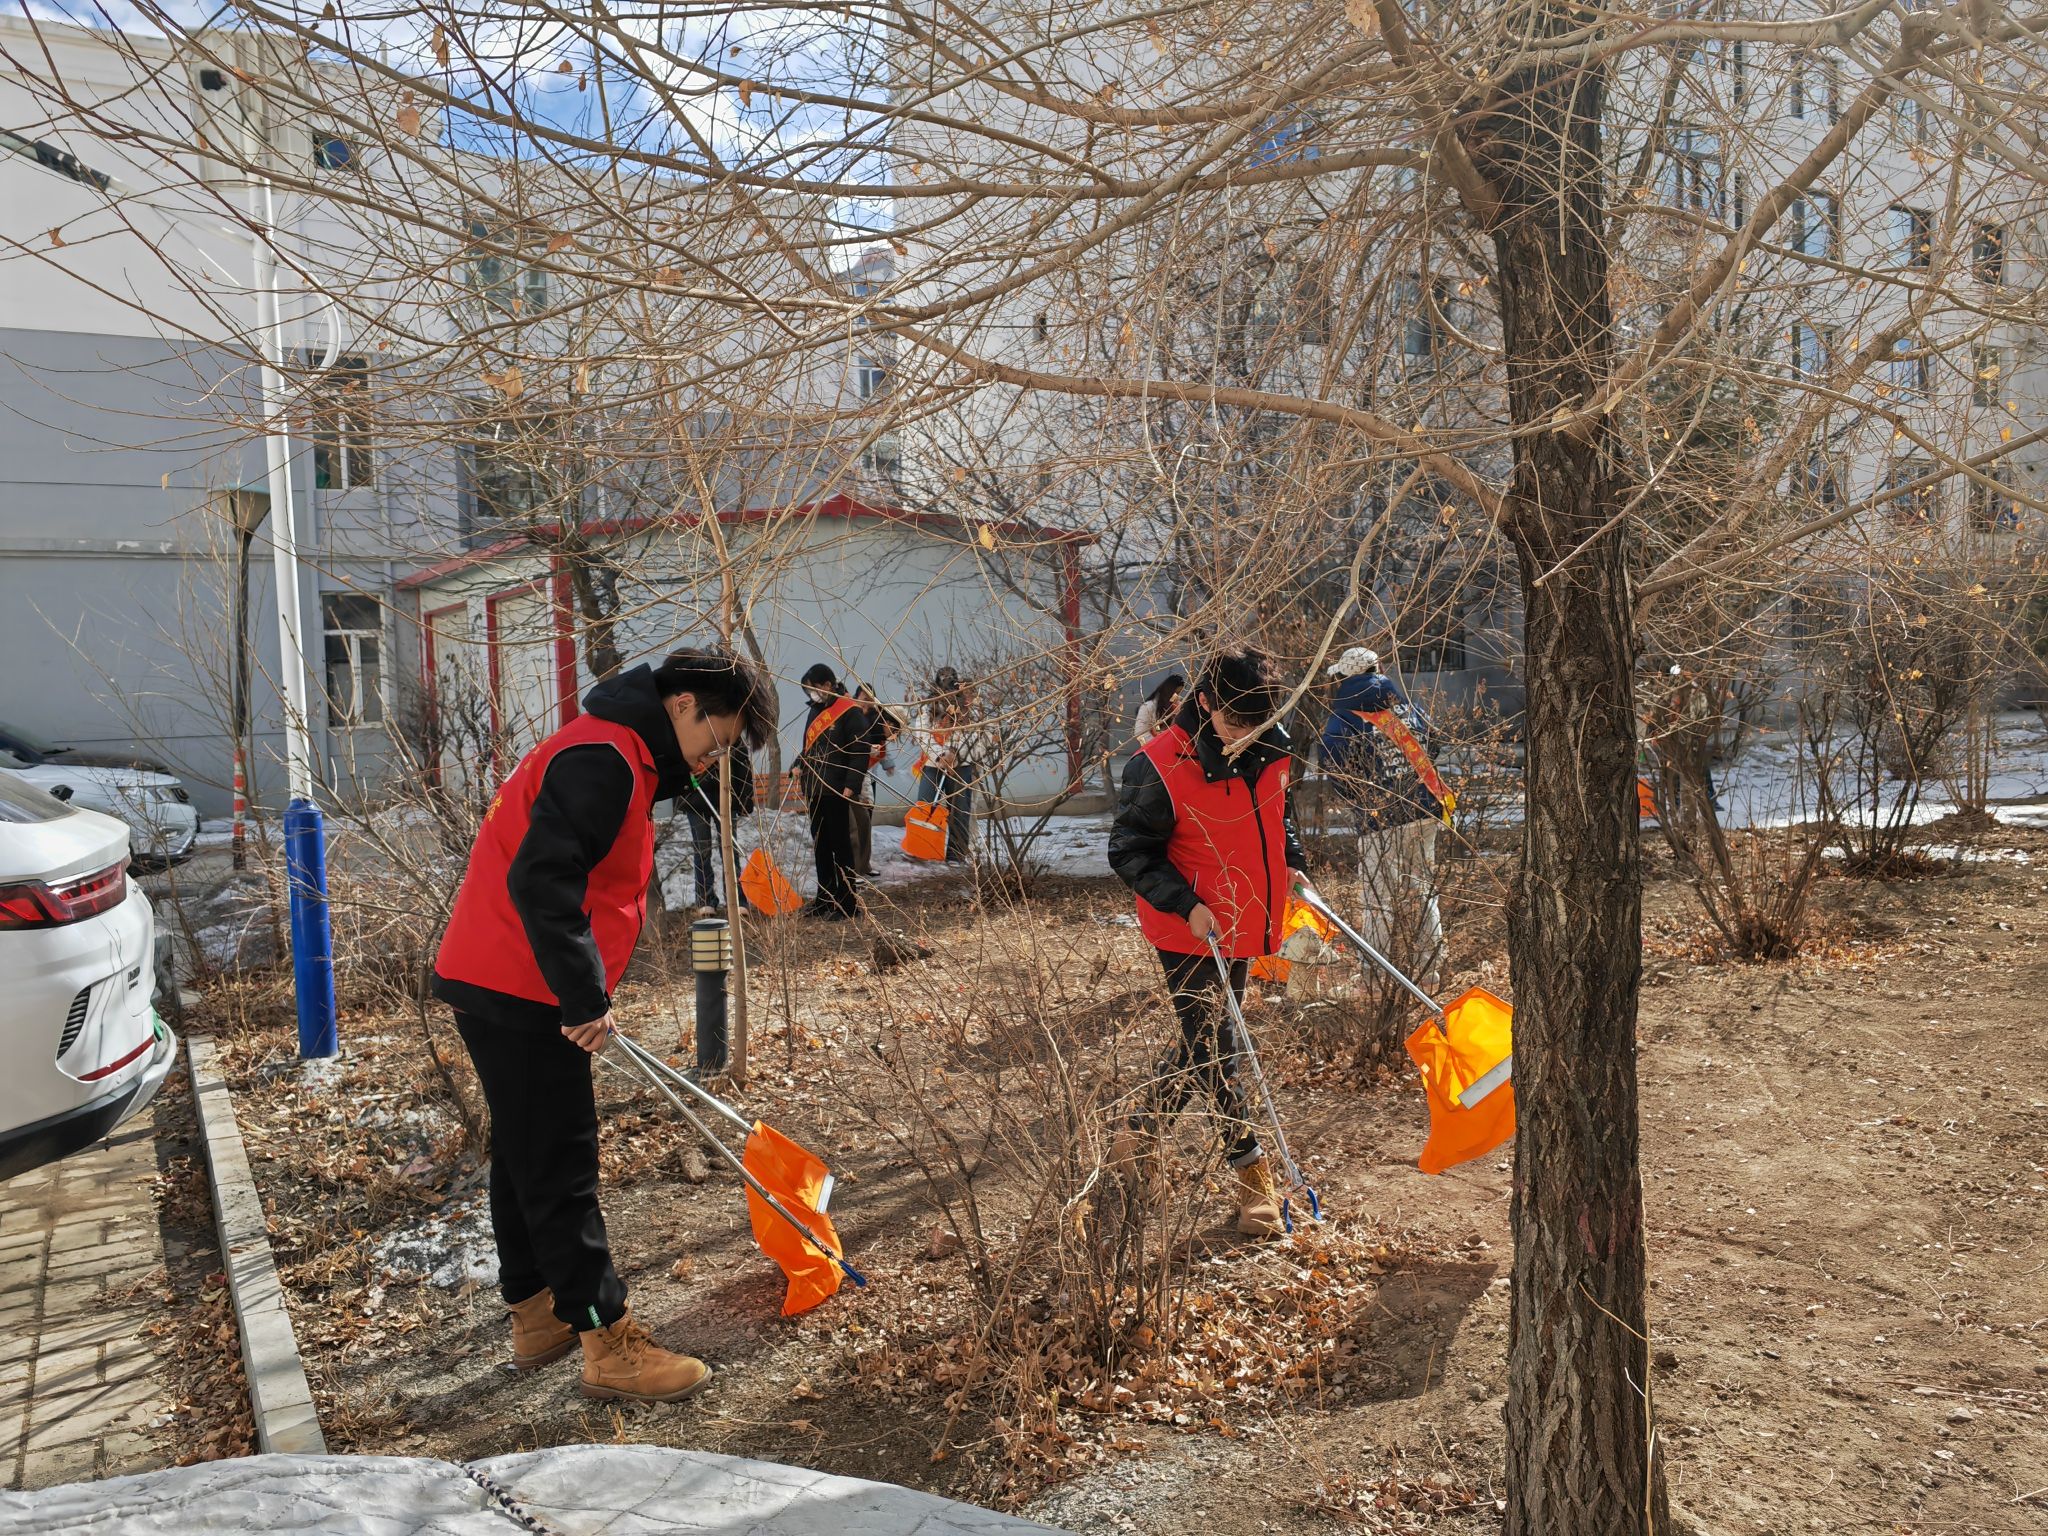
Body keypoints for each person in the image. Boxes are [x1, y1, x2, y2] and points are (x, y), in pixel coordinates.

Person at [433, 648, 773, 1402]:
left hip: (498, 974)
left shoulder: (613, 748)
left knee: (527, 1153)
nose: (715, 757)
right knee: (560, 1162)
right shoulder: (607, 758)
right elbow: (540, 878)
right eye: (716, 739)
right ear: (683, 703)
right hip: (520, 983)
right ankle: (606, 1341)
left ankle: (538, 1316)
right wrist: (582, 998)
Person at [1106, 645, 1321, 1239]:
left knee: (1199, 1040)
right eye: (1234, 724)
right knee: (1220, 1048)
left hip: (1244, 919)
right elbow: (1128, 850)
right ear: (1205, 701)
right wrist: (1188, 904)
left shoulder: (1271, 746)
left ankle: (1139, 1133)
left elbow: (1277, 816)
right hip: (1188, 926)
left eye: (1258, 725)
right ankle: (1253, 1175)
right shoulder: (1157, 764)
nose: (1246, 736)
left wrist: (1293, 863)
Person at [1318, 646, 1445, 987]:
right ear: (1379, 668)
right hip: (1424, 808)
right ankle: (1431, 969)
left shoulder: (1344, 718)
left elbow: (1334, 765)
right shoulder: (1402, 707)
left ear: (1343, 679)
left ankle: (1375, 977)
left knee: (1377, 900)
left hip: (1380, 819)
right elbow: (1433, 743)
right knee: (1424, 889)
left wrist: (1361, 800)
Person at [797, 663, 868, 919]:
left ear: (827, 685)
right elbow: (809, 746)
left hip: (837, 787)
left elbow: (860, 750)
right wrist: (798, 764)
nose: (811, 695)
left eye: (813, 689)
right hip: (815, 788)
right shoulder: (815, 710)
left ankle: (848, 903)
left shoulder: (849, 711)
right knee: (821, 846)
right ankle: (825, 898)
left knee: (841, 847)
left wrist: (852, 784)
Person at [675, 739, 754, 911]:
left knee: (729, 849)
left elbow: (743, 765)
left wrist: (746, 800)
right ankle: (705, 900)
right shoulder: (692, 732)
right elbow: (678, 760)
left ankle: (736, 899)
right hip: (696, 799)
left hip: (726, 797)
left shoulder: (730, 732)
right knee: (702, 851)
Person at [910, 665, 976, 864]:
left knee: (960, 810)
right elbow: (922, 734)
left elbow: (972, 734)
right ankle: (922, 850)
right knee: (925, 805)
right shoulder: (927, 706)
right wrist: (940, 756)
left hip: (961, 764)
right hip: (933, 764)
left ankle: (957, 854)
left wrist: (954, 754)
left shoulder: (965, 707)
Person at [848, 683, 903, 879]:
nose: (867, 702)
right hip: (853, 777)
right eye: (864, 698)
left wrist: (888, 763)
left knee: (866, 821)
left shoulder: (877, 717)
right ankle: (853, 866)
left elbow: (881, 743)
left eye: (870, 699)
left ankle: (863, 864)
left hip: (868, 775)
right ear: (856, 697)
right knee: (855, 825)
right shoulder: (852, 715)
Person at [1133, 673, 1183, 744]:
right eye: (1176, 693)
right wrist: (1159, 744)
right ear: (1169, 691)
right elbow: (1140, 733)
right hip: (1154, 747)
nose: (1178, 696)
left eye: (1179, 693)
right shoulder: (1148, 707)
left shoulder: (1178, 705)